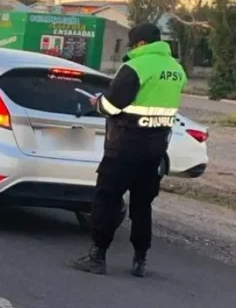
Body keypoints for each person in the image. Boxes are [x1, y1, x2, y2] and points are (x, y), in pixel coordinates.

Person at [69, 23, 187, 277]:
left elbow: (112, 106)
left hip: (124, 147)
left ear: (141, 43)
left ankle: (97, 256)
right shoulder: (176, 69)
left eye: (133, 44)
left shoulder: (135, 67)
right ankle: (140, 259)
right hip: (156, 149)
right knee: (142, 205)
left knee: (107, 200)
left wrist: (98, 102)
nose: (132, 48)